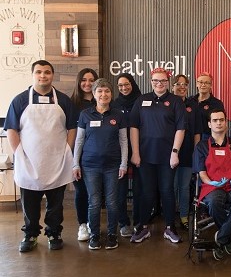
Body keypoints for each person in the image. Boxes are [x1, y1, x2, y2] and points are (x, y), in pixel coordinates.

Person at [5, 60, 77, 252]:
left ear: (52, 75)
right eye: (39, 72)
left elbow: (72, 128)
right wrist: (19, 153)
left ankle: (54, 232)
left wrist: (67, 151)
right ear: (33, 75)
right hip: (29, 161)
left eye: (47, 72)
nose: (43, 76)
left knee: (55, 204)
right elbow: (11, 129)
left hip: (57, 161)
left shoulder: (63, 100)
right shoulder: (19, 100)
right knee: (30, 204)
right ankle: (30, 234)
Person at [129, 68, 185, 244]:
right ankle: (143, 227)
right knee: (147, 192)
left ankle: (170, 227)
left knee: (167, 191)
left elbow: (180, 128)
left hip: (167, 157)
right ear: (151, 81)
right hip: (145, 156)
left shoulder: (176, 102)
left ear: (168, 82)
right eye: (155, 81)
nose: (159, 84)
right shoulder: (141, 100)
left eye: (162, 81)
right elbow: (134, 128)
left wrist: (175, 153)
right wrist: (135, 153)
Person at [73, 78, 128, 250]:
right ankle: (95, 235)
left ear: (111, 94)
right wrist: (75, 164)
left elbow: (124, 141)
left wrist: (124, 164)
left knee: (112, 202)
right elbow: (79, 141)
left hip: (113, 166)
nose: (103, 94)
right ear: (94, 94)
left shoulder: (118, 115)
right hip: (90, 166)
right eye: (100, 91)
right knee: (94, 202)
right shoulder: (85, 114)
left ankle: (112, 234)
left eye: (107, 91)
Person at [193, 109, 231, 260]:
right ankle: (226, 238)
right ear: (209, 124)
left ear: (226, 123)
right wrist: (209, 182)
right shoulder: (202, 146)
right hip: (212, 185)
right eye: (215, 120)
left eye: (221, 120)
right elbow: (201, 172)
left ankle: (221, 237)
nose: (218, 123)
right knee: (213, 202)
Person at [70, 68, 98, 242]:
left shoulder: (103, 101)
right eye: (84, 80)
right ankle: (83, 224)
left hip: (97, 156)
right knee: (81, 191)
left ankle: (93, 224)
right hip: (77, 155)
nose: (87, 83)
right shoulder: (71, 103)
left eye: (91, 80)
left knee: (94, 194)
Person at [112, 73, 142, 238]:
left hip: (139, 151)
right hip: (120, 153)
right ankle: (123, 223)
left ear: (132, 84)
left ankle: (139, 221)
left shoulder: (142, 101)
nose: (124, 88)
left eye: (127, 84)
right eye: (120, 85)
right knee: (120, 190)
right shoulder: (114, 104)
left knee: (139, 189)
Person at [172, 74, 202, 230]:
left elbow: (197, 131)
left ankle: (183, 216)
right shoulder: (167, 103)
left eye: (185, 84)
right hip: (169, 154)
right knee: (170, 187)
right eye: (178, 84)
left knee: (184, 187)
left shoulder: (193, 105)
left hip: (188, 152)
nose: (181, 86)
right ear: (172, 86)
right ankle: (170, 218)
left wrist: (196, 153)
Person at [189, 72, 224, 139]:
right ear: (196, 84)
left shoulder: (217, 104)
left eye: (207, 82)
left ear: (211, 85)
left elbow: (222, 125)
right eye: (201, 82)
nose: (203, 85)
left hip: (208, 140)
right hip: (190, 139)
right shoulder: (190, 101)